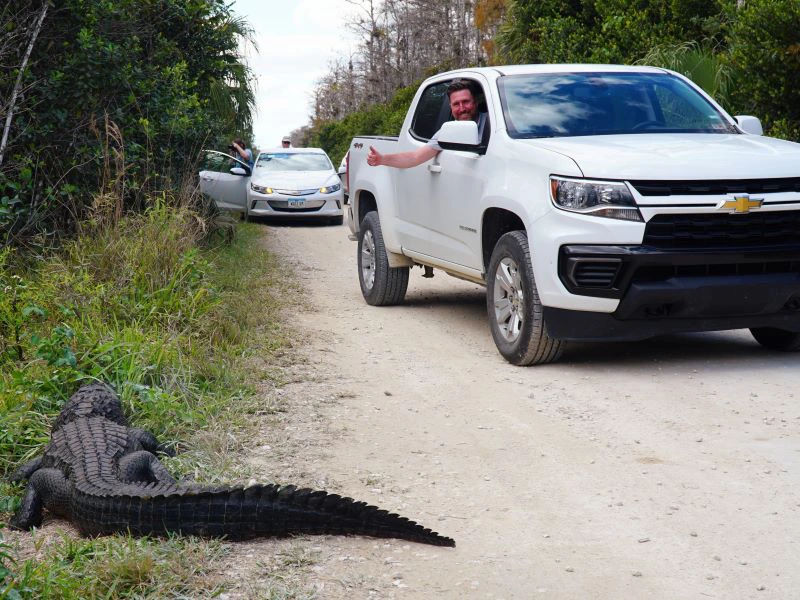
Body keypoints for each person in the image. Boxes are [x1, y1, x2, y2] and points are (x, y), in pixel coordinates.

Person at [367, 79, 487, 169]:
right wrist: (382, 159)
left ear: (475, 102)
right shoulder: (447, 132)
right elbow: (415, 157)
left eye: (466, 102)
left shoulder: (491, 123)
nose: (462, 108)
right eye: (456, 104)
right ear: (450, 107)